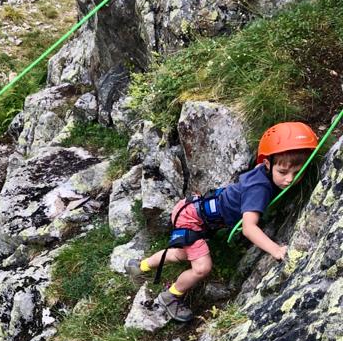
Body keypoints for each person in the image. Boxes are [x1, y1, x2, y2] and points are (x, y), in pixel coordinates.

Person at [129, 121, 318, 322]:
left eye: (297, 173)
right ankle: (171, 296)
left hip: (193, 208)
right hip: (192, 218)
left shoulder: (263, 174)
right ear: (267, 164)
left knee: (182, 253)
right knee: (202, 268)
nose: (289, 179)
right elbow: (249, 228)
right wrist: (277, 250)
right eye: (283, 172)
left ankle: (140, 267)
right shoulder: (259, 189)